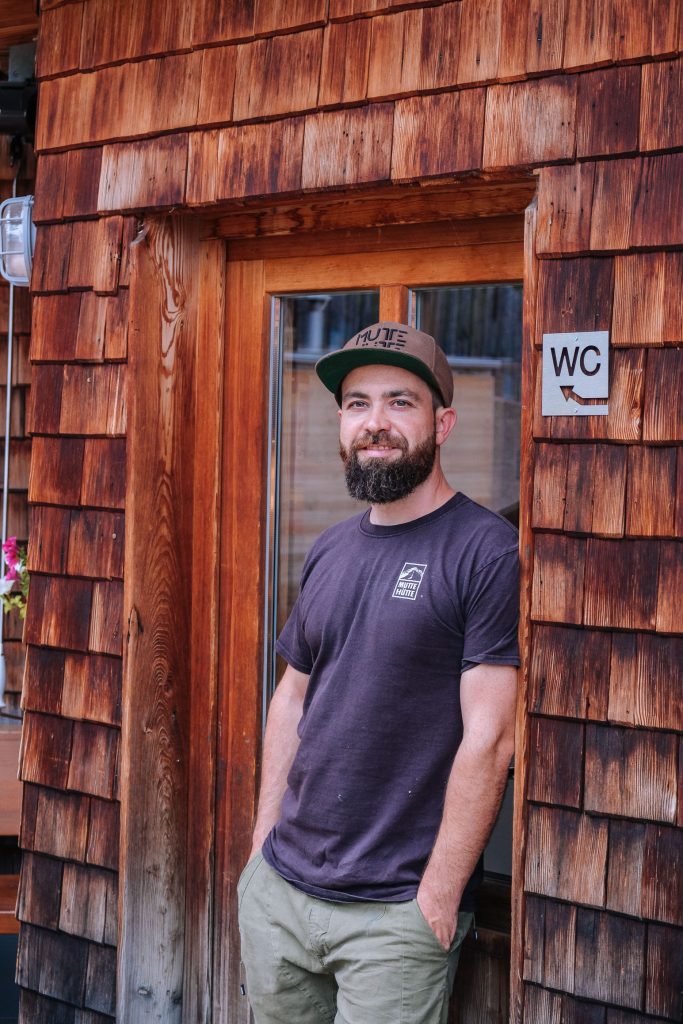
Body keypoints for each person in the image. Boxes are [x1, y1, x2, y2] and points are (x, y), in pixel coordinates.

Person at [238, 321, 519, 1024]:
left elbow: (490, 738)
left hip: (394, 914)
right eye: (357, 404)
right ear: (340, 423)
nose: (375, 423)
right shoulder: (332, 549)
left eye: (400, 402)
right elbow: (292, 697)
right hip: (283, 894)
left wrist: (437, 894)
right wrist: (260, 849)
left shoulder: (485, 552)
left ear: (443, 422)